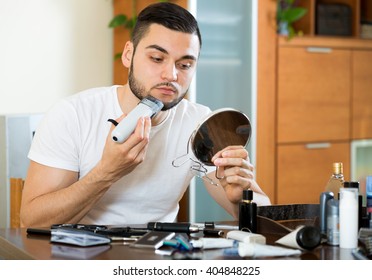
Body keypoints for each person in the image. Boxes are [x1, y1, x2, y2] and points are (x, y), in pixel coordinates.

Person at [20, 2, 270, 227]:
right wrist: (106, 173)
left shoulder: (200, 123)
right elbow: (32, 220)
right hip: (80, 258)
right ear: (128, 54)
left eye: (184, 65)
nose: (171, 75)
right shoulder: (73, 114)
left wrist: (241, 199)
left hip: (160, 258)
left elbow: (269, 220)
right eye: (157, 58)